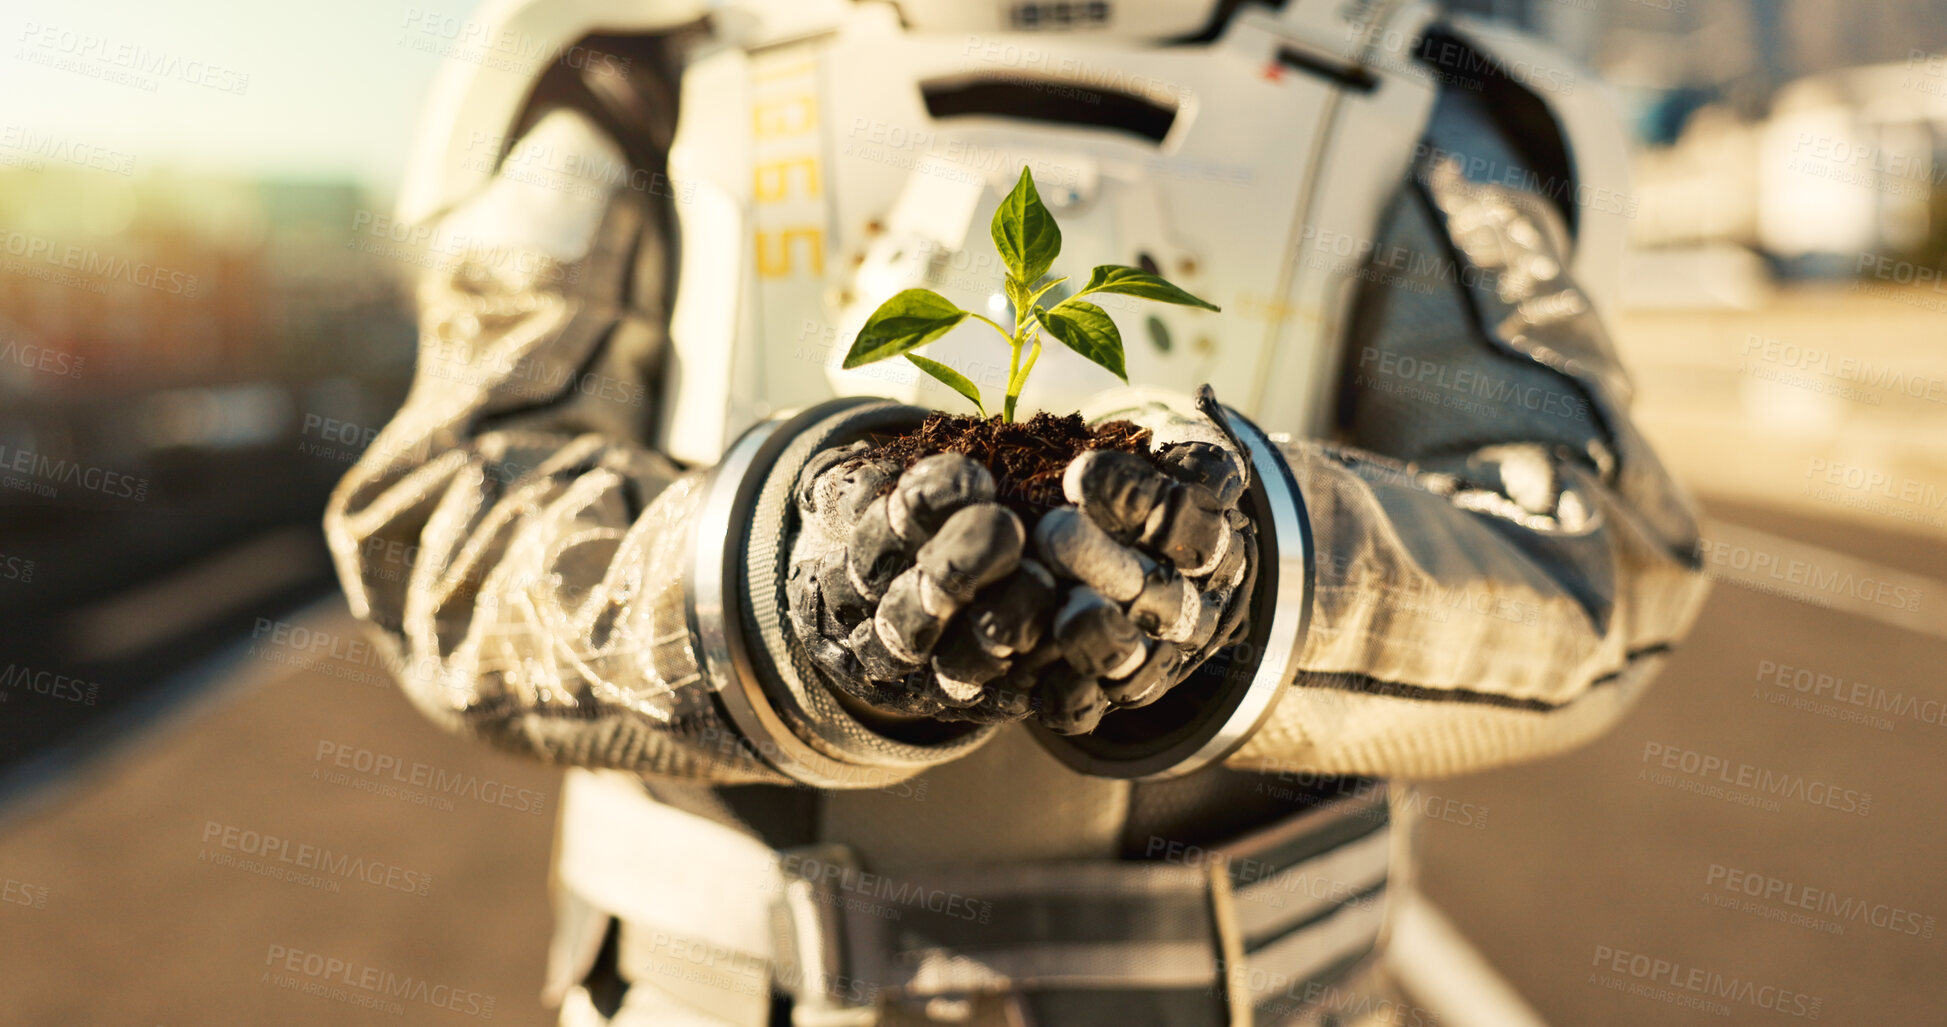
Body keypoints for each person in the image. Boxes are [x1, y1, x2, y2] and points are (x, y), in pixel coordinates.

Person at [326, 1, 1709, 1023]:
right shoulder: (646, 74)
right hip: (713, 991)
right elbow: (447, 510)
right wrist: (763, 596)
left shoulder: (1410, 104)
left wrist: (1268, 584)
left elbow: (1588, 552)